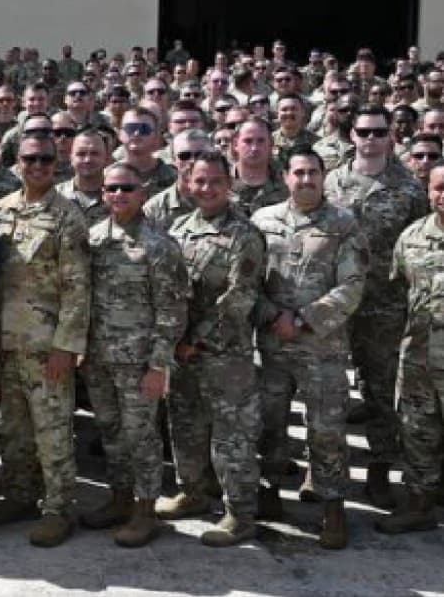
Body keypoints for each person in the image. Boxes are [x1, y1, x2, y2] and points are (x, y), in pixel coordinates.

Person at [253, 146, 367, 550]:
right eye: (298, 172)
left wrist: (302, 319)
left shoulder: (343, 224)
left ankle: (332, 506)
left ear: (324, 176)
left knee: (327, 428)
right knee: (270, 421)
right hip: (272, 343)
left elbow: (352, 286)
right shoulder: (262, 220)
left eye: (313, 172)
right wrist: (272, 317)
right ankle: (268, 491)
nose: (306, 179)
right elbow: (247, 283)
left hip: (323, 346)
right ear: (285, 177)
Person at [323, 105, 428, 508]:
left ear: (390, 137)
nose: (370, 138)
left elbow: (417, 243)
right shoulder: (332, 181)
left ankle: (381, 466)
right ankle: (326, 467)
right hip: (335, 299)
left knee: (380, 389)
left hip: (383, 303)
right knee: (329, 387)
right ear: (351, 135)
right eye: (363, 131)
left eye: (378, 131)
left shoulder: (409, 189)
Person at [0, 134, 90, 546]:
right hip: (6, 342)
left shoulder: (68, 216)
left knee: (52, 430)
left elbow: (78, 288)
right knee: (12, 427)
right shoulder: (1, 209)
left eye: (47, 159)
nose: (38, 165)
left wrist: (67, 346)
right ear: (16, 162)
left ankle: (58, 507)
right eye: (30, 158)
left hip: (47, 345)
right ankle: (19, 493)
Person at [80, 162, 188, 548]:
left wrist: (159, 365)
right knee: (110, 431)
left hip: (140, 362)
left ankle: (145, 508)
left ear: (142, 192)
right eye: (111, 189)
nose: (118, 195)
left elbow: (172, 311)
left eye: (126, 188)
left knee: (141, 436)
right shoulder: (93, 240)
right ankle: (120, 497)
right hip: (99, 359)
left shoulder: (158, 246)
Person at [161, 152, 265, 547]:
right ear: (187, 183)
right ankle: (193, 492)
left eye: (215, 181)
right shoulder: (179, 228)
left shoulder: (245, 234)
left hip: (224, 354)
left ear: (230, 183)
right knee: (185, 426)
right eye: (199, 181)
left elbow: (240, 298)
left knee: (231, 436)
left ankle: (240, 513)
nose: (206, 189)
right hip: (181, 350)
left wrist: (195, 340)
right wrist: (174, 339)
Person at [379, 163, 444, 534]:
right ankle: (419, 504)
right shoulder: (412, 237)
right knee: (418, 430)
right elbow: (397, 290)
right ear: (428, 191)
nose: (443, 195)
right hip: (418, 356)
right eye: (438, 187)